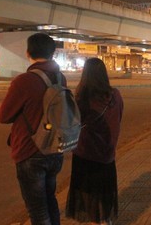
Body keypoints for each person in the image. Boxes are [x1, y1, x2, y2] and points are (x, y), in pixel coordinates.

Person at [0, 33, 65, 225]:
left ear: (28, 53)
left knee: (38, 210)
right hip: (55, 149)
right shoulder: (61, 79)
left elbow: (4, 116)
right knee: (50, 200)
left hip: (30, 151)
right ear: (53, 53)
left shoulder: (24, 81)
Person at [65, 58, 124, 225]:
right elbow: (118, 118)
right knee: (105, 188)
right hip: (107, 152)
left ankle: (95, 221)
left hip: (86, 152)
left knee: (89, 192)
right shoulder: (115, 95)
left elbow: (72, 124)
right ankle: (106, 219)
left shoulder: (83, 98)